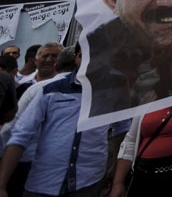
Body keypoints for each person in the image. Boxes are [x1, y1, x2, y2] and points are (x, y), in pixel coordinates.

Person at [0, 67, 130, 197]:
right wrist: (2, 184)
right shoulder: (50, 90)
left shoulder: (115, 91)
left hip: (88, 183)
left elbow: (122, 127)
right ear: (78, 58)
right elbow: (20, 135)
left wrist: (116, 171)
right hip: (44, 183)